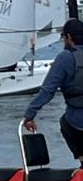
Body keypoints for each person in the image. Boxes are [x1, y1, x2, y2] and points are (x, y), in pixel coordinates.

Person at [23, 18, 83, 165]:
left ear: (68, 37)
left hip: (78, 121)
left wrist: (29, 115)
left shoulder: (65, 58)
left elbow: (48, 90)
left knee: (65, 123)